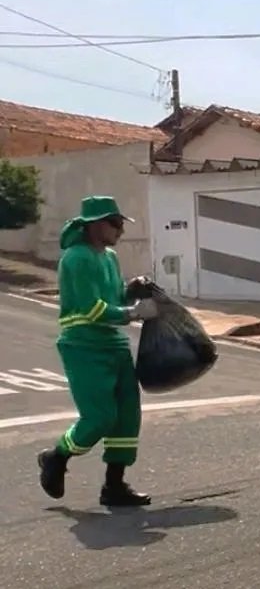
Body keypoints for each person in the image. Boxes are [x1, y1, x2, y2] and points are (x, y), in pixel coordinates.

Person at [37, 195, 160, 507]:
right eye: (115, 223)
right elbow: (92, 309)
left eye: (120, 223)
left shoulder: (108, 257)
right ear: (94, 225)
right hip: (83, 345)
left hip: (113, 343)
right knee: (100, 417)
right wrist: (134, 313)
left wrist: (132, 289)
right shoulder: (76, 259)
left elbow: (114, 295)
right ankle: (56, 456)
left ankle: (114, 486)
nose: (120, 230)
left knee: (127, 417)